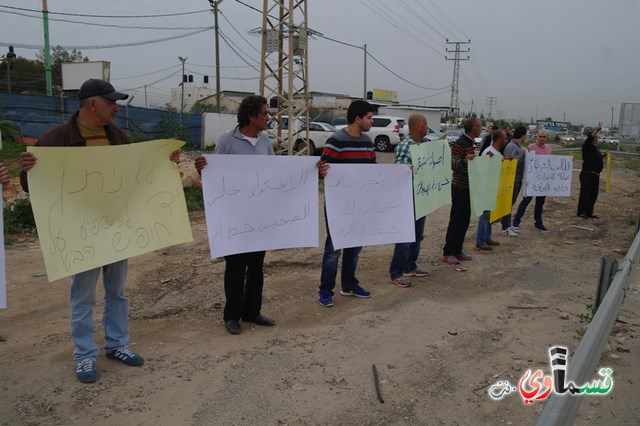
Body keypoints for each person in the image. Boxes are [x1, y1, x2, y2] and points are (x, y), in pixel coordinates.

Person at [18, 78, 176, 383]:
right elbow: (34, 187)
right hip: (82, 232)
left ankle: (117, 344)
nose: (117, 107)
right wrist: (27, 171)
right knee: (84, 295)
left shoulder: (117, 136)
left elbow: (135, 176)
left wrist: (164, 165)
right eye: (111, 102)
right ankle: (84, 355)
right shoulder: (57, 139)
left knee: (117, 291)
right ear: (92, 103)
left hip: (115, 227)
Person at [195, 95, 306, 336]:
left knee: (256, 267)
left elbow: (274, 175)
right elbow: (213, 177)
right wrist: (202, 169)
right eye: (265, 114)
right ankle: (232, 315)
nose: (269, 118)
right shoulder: (227, 142)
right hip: (235, 218)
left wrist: (308, 171)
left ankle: (252, 311)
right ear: (251, 116)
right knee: (236, 268)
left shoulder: (265, 143)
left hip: (260, 218)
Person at [318, 100, 376, 307]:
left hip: (360, 205)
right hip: (338, 205)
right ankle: (325, 290)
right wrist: (322, 171)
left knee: (355, 247)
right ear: (357, 118)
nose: (372, 121)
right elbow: (322, 169)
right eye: (369, 117)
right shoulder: (336, 141)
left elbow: (374, 170)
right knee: (333, 250)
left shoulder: (368, 142)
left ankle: (349, 284)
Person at [388, 114, 429, 288]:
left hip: (421, 197)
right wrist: (408, 169)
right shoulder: (406, 146)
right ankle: (396, 273)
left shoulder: (425, 145)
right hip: (407, 198)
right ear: (418, 126)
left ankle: (410, 266)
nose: (427, 126)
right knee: (405, 236)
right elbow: (399, 172)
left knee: (417, 235)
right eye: (425, 123)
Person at [442, 117, 480, 265]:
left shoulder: (470, 143)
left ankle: (458, 250)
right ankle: (448, 252)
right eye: (479, 127)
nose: (480, 129)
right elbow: (452, 164)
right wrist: (465, 160)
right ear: (473, 128)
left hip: (468, 188)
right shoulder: (460, 143)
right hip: (459, 187)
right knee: (456, 221)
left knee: (464, 221)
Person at [512, 130, 552, 232]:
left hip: (542, 180)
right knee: (526, 201)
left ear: (547, 138)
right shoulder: (531, 147)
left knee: (540, 202)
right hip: (532, 180)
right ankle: (516, 222)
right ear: (537, 137)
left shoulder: (548, 148)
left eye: (544, 137)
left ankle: (538, 222)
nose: (542, 138)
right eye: (540, 136)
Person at [475, 131, 507, 250]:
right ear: (499, 140)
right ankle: (480, 240)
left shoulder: (496, 152)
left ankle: (487, 237)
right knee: (484, 215)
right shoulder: (487, 152)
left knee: (489, 215)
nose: (506, 141)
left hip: (493, 187)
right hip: (486, 188)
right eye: (504, 139)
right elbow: (484, 170)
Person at [500, 125, 528, 236]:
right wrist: (523, 154)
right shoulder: (512, 147)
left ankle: (507, 224)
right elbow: (510, 162)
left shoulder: (517, 146)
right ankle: (505, 227)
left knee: (510, 204)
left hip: (516, 179)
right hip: (512, 180)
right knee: (508, 204)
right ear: (523, 136)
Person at [577, 122, 606, 219]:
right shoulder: (587, 146)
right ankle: (581, 212)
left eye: (597, 138)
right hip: (587, 174)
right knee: (585, 194)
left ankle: (589, 212)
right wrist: (597, 130)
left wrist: (602, 156)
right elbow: (590, 138)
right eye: (596, 137)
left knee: (593, 194)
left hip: (595, 175)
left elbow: (594, 158)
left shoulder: (594, 148)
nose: (597, 139)